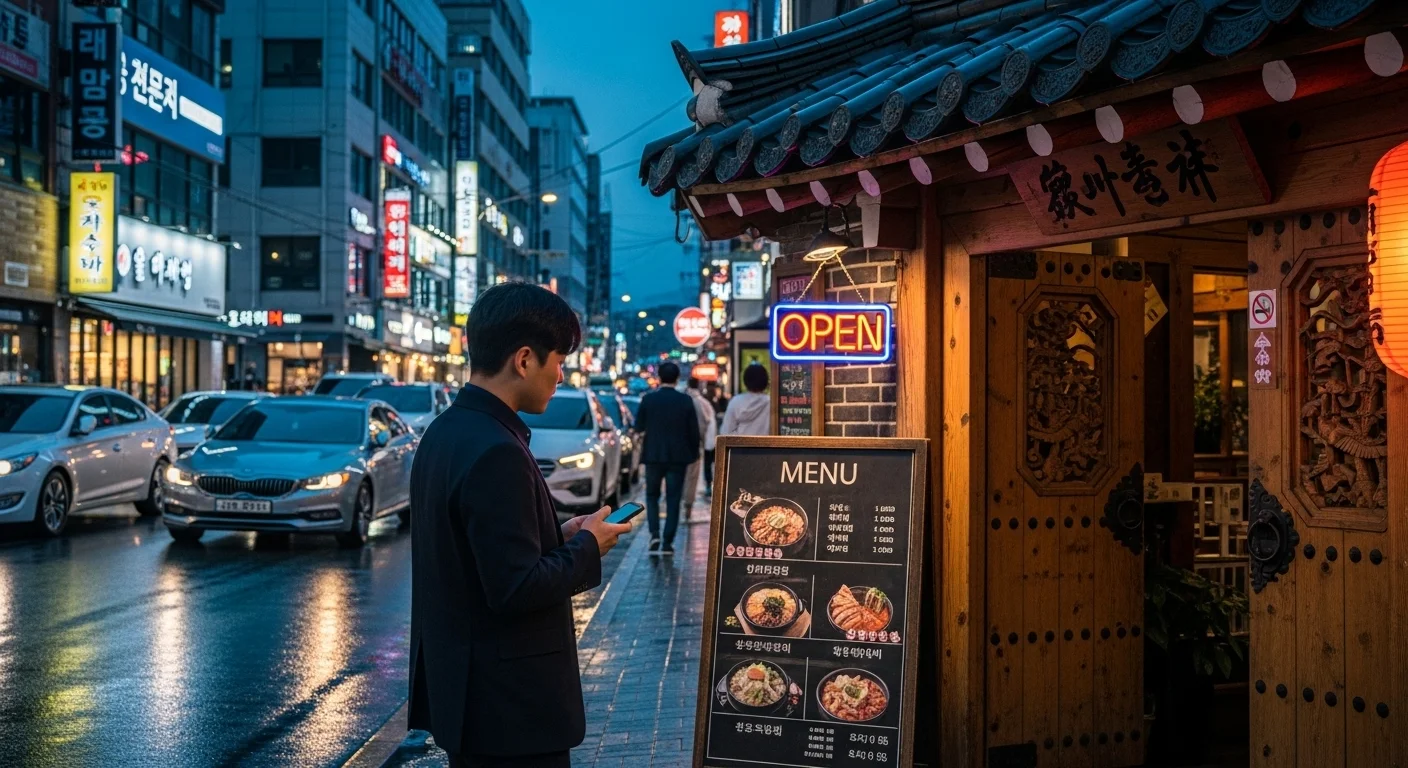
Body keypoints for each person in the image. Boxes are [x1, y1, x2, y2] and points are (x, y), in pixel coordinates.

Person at [407, 282, 632, 768]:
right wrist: (589, 546)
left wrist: (562, 536)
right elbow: (513, 588)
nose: (560, 375)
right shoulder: (497, 450)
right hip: (510, 712)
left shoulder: (446, 432)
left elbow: (478, 555)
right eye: (559, 361)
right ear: (525, 359)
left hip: (469, 700)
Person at [633, 361, 700, 555]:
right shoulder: (685, 401)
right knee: (673, 498)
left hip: (653, 456)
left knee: (652, 496)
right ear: (677, 378)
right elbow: (693, 432)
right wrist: (694, 453)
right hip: (678, 458)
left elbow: (639, 427)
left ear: (659, 378)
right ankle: (668, 542)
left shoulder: (648, 399)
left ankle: (654, 534)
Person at [683, 376, 716, 507]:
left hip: (681, 444)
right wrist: (709, 444)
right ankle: (688, 504)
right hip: (697, 444)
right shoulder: (703, 403)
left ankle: (683, 502)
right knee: (692, 475)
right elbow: (710, 423)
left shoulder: (684, 400)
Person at [720, 364, 772, 437]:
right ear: (766, 382)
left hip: (740, 447)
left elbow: (726, 431)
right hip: (765, 447)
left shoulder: (736, 402)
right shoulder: (771, 403)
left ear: (745, 381)